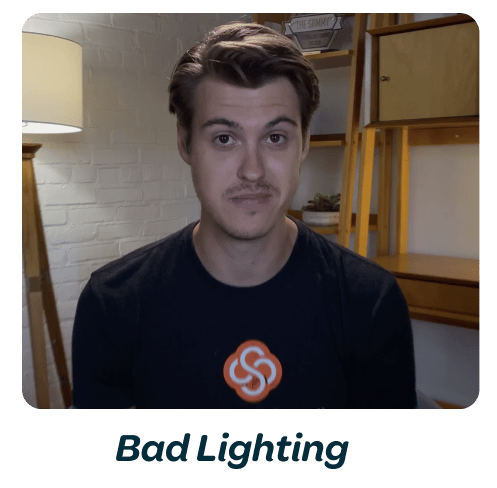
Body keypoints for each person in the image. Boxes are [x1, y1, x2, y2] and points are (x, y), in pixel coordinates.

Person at [72, 22, 417, 409]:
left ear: (304, 143)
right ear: (185, 143)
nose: (253, 171)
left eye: (275, 138)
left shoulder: (369, 302)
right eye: (224, 139)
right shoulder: (114, 304)